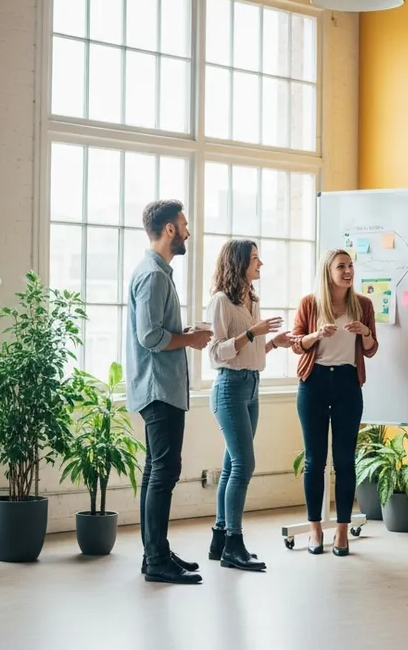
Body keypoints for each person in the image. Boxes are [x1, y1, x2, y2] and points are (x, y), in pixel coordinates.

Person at [126, 200, 212, 585]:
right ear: (170, 230)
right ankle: (156, 559)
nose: (188, 231)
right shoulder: (154, 275)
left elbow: (157, 330)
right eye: (184, 224)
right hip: (159, 387)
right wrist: (190, 339)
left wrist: (185, 334)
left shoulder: (158, 272)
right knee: (164, 471)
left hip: (160, 386)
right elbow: (150, 336)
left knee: (156, 471)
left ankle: (155, 553)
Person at [204, 240, 294, 572]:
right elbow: (215, 354)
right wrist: (253, 334)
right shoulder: (220, 302)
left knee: (232, 467)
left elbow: (249, 352)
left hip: (251, 386)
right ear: (239, 263)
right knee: (244, 466)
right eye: (255, 259)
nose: (261, 264)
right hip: (228, 388)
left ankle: (219, 538)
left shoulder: (250, 299)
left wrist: (272, 342)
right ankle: (234, 544)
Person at [290, 249, 378, 557]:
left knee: (344, 461)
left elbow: (370, 350)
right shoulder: (310, 303)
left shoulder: (363, 305)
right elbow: (296, 344)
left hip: (347, 384)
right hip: (313, 383)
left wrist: (365, 331)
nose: (348, 270)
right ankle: (315, 530)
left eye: (351, 265)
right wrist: (316, 335)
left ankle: (342, 532)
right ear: (328, 271)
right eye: (341, 266)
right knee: (315, 461)